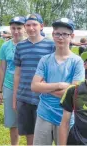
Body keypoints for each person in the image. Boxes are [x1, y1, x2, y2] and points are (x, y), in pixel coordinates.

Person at [31, 18, 85, 145]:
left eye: (65, 34)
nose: (60, 37)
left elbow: (74, 92)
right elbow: (34, 86)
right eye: (57, 33)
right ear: (53, 35)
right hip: (44, 114)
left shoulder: (77, 62)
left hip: (66, 116)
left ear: (72, 36)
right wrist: (59, 85)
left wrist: (45, 87)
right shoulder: (45, 60)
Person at [12, 13, 55, 145]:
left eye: (34, 25)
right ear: (25, 27)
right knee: (29, 133)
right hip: (24, 97)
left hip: (43, 98)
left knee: (43, 134)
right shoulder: (20, 46)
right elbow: (17, 73)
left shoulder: (51, 45)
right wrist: (15, 97)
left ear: (41, 26)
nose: (31, 28)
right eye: (28, 25)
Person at [0, 16, 26, 145]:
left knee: (30, 121)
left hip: (26, 88)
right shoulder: (5, 46)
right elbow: (2, 68)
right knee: (13, 123)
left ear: (24, 28)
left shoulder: (29, 45)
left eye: (19, 28)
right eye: (13, 28)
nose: (16, 31)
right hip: (9, 86)